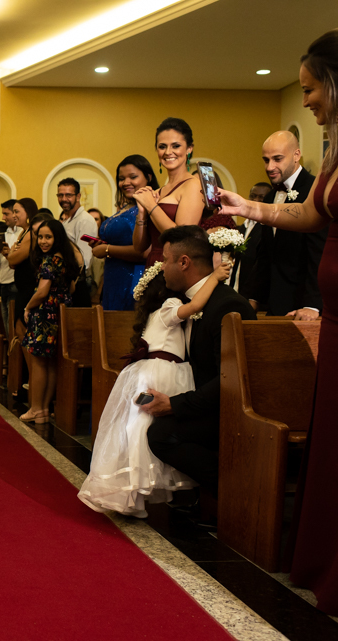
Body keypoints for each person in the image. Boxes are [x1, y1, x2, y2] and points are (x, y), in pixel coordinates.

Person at [217, 29, 338, 615]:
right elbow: (314, 214)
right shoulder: (337, 149)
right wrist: (251, 209)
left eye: (312, 89)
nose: (307, 100)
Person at [78, 258, 231, 517]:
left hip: (150, 370)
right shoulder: (171, 305)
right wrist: (214, 277)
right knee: (142, 431)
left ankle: (132, 496)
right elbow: (195, 305)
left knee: (137, 432)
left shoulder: (153, 313)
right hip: (163, 371)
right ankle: (134, 493)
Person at [137, 226, 256, 526]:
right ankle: (196, 495)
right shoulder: (188, 303)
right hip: (206, 400)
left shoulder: (227, 305)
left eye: (165, 260)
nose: (161, 267)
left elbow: (231, 378)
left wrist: (176, 405)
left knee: (161, 435)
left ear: (184, 262)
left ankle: (237, 494)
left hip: (230, 408)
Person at [246, 131, 326, 319]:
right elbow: (266, 255)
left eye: (277, 159)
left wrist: (312, 306)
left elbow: (319, 254)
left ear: (296, 155)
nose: (270, 167)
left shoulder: (313, 191)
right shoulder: (270, 197)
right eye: (266, 160)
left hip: (303, 307)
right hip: (274, 304)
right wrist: (254, 298)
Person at [19, 219, 76, 424]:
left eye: (48, 237)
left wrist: (28, 306)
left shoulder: (50, 260)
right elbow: (71, 289)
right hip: (60, 311)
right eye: (41, 237)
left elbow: (42, 291)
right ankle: (43, 409)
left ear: (57, 237)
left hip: (44, 313)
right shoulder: (66, 258)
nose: (43, 241)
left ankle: (36, 408)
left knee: (38, 362)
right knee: (50, 363)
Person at [133, 118, 206, 267]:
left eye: (176, 146)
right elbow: (139, 247)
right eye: (162, 146)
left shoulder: (193, 185)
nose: (168, 152)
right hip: (152, 264)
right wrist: (142, 212)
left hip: (176, 266)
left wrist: (151, 205)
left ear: (189, 148)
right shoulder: (159, 191)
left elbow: (182, 237)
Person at [88, 155, 158, 311]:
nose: (126, 183)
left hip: (134, 278)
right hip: (114, 276)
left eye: (133, 177)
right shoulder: (127, 207)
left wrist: (107, 250)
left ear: (148, 177)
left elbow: (146, 251)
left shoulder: (150, 207)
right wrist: (103, 244)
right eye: (121, 178)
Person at [230, 181, 274, 296]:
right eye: (253, 196)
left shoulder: (268, 227)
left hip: (255, 291)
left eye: (261, 197)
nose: (255, 200)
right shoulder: (243, 227)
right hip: (237, 285)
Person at [0, 199, 24, 336]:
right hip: (3, 285)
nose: (3, 217)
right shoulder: (4, 234)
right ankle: (10, 355)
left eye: (6, 214)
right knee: (7, 329)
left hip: (15, 284)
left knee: (14, 328)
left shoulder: (23, 234)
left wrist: (10, 254)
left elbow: (21, 261)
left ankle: (16, 356)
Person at [56, 177, 98, 272]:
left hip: (78, 278)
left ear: (78, 196)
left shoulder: (84, 220)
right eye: (60, 195)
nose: (64, 199)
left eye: (68, 195)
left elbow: (84, 261)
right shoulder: (67, 221)